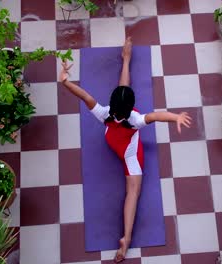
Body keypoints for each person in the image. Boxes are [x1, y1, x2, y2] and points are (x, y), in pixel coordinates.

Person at [59, 37, 192, 263]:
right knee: (133, 193)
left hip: (111, 140)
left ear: (112, 102)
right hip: (129, 154)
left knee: (123, 86)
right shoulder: (136, 119)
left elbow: (85, 96)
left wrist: (65, 82)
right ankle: (126, 239)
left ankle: (126, 58)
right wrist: (176, 117)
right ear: (131, 107)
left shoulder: (104, 112)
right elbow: (157, 116)